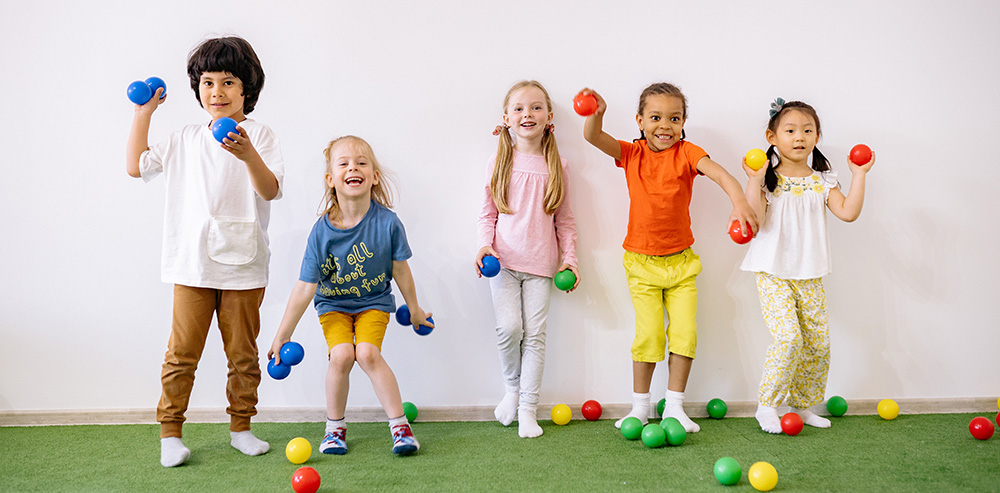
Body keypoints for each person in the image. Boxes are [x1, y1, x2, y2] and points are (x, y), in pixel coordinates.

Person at [125, 36, 283, 467]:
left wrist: (248, 153)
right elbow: (136, 165)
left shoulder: (260, 136)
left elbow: (270, 189)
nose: (217, 92)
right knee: (182, 354)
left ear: (247, 88)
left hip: (245, 265)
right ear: (196, 88)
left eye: (228, 82)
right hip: (191, 265)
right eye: (208, 82)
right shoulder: (183, 138)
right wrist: (144, 113)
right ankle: (170, 435)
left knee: (243, 355)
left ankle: (241, 428)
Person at [580, 83, 756, 433]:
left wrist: (739, 203)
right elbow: (593, 137)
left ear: (683, 121)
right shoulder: (632, 153)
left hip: (681, 264)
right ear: (640, 120)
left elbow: (721, 173)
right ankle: (640, 407)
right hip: (641, 264)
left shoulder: (688, 153)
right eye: (656, 117)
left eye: (674, 118)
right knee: (648, 336)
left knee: (685, 334)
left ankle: (674, 406)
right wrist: (596, 115)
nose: (665, 125)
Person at [269, 135, 430, 456]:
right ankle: (334, 430)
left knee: (367, 354)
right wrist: (281, 334)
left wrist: (415, 310)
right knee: (342, 355)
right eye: (343, 163)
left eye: (361, 162)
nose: (352, 167)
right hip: (334, 306)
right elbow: (305, 287)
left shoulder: (388, 223)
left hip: (374, 303)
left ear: (374, 176)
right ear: (331, 179)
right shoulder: (322, 231)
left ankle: (400, 428)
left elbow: (401, 271)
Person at [740, 99, 873, 433]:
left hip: (809, 274)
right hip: (772, 272)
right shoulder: (769, 180)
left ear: (817, 136)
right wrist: (754, 179)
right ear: (772, 136)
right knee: (788, 339)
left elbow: (848, 212)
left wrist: (859, 174)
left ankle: (801, 406)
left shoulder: (823, 180)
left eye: (807, 130)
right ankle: (767, 405)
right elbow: (754, 219)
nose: (799, 136)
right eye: (790, 130)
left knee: (817, 344)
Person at [476, 80, 579, 439]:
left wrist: (571, 260)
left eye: (535, 107)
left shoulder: (558, 165)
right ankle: (512, 390)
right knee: (509, 329)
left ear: (549, 117)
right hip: (502, 263)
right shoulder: (498, 161)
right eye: (519, 108)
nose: (527, 114)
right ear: (506, 118)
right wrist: (483, 247)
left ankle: (527, 410)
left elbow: (564, 220)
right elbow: (487, 214)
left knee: (535, 335)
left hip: (540, 266)